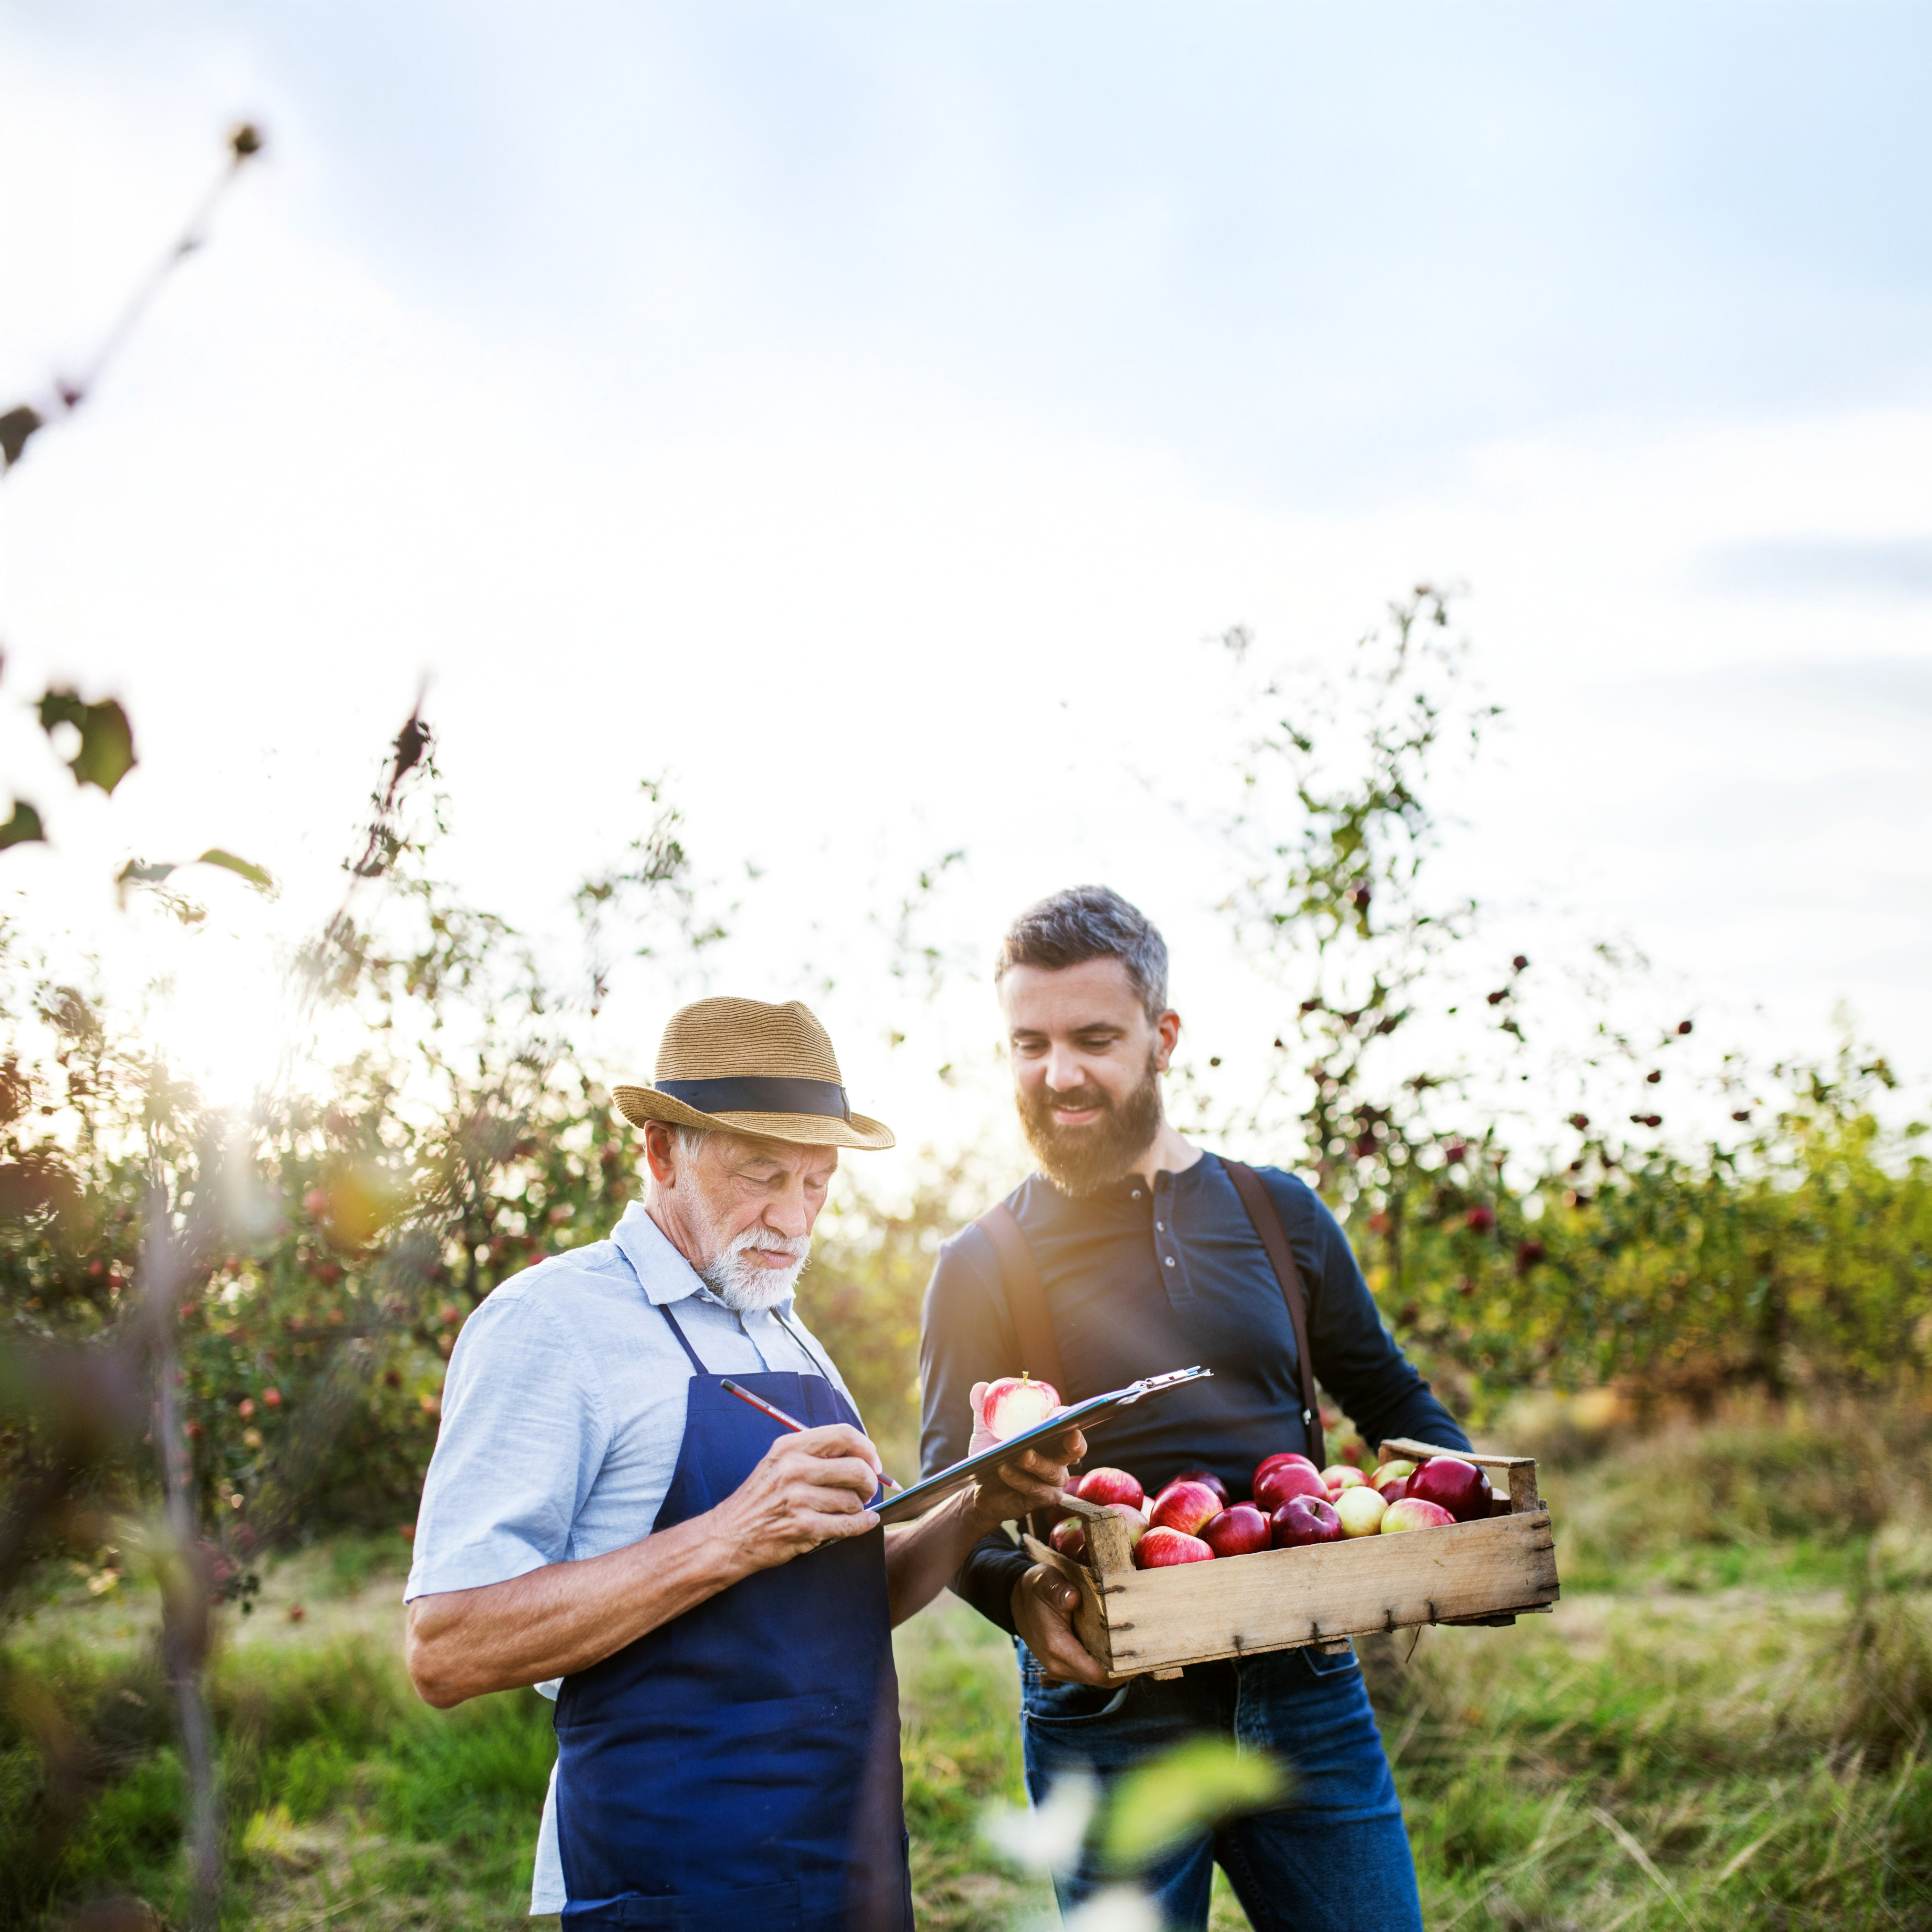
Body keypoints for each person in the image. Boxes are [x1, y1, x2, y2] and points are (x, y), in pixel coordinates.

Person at [405, 996, 1082, 1930]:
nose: (792, 1216)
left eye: (816, 1181)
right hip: (673, 1883)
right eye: (762, 1173)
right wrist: (728, 1535)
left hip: (847, 1869)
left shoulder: (786, 1331)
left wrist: (974, 1501)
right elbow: (446, 1644)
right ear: (659, 1150)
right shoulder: (550, 1325)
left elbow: (844, 1597)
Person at [919, 887, 1473, 1932]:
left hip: (1305, 1682)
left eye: (1092, 1038)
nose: (1057, 1073)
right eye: (1027, 1043)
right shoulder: (980, 1263)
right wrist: (1018, 1596)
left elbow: (1388, 1393)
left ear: (1161, 1036)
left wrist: (1455, 1512)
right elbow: (949, 1482)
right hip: (1110, 1701)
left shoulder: (1279, 1213)